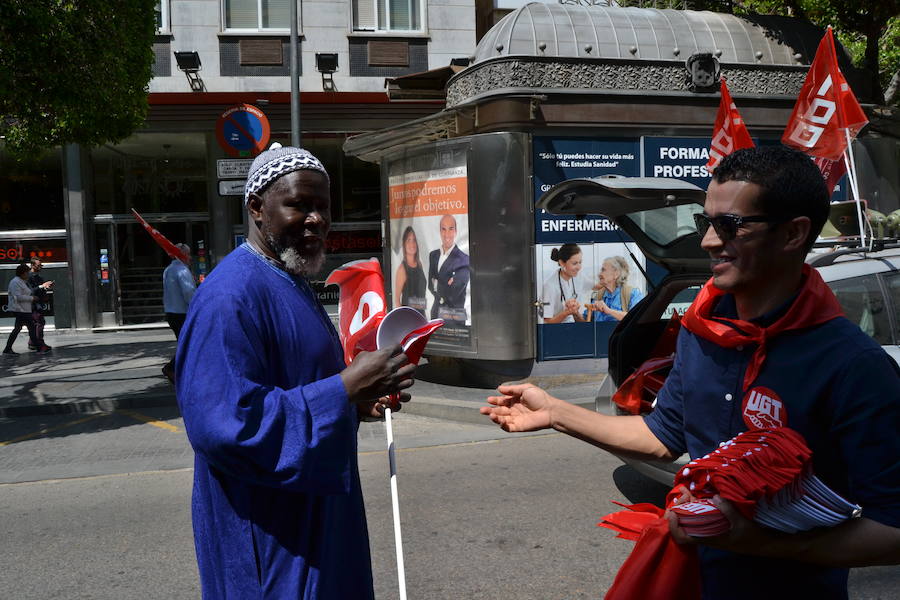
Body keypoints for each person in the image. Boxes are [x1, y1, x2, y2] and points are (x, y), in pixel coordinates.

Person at [482, 145, 900, 599]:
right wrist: (556, 413)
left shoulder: (853, 367)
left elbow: (893, 530)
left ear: (794, 234)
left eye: (730, 226)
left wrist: (764, 544)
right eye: (706, 223)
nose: (708, 241)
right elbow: (664, 436)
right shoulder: (701, 332)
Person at [175, 144, 416, 599]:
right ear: (257, 209)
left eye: (323, 207)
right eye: (299, 205)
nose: (316, 220)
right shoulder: (230, 297)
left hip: (319, 513)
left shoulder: (290, 278)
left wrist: (358, 400)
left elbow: (302, 380)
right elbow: (224, 425)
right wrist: (344, 387)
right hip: (270, 529)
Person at [161, 243, 196, 383]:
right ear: (183, 254)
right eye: (188, 254)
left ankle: (180, 370)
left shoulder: (168, 270)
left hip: (171, 312)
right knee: (188, 343)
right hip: (182, 313)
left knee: (185, 342)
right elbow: (189, 293)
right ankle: (171, 368)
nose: (189, 257)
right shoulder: (182, 271)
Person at [428, 214, 470, 323]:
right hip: (436, 314)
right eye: (443, 229)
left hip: (454, 320)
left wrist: (438, 283)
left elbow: (453, 293)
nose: (447, 234)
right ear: (440, 231)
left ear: (456, 231)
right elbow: (430, 285)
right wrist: (447, 282)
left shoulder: (464, 260)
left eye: (451, 229)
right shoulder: (433, 255)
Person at [585, 255, 644, 322]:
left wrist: (609, 311)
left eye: (603, 270)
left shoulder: (633, 294)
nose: (599, 274)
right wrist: (575, 313)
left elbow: (636, 318)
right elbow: (585, 323)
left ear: (616, 274)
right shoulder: (599, 296)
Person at [540, 243, 587, 323]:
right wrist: (566, 312)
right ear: (562, 263)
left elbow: (581, 320)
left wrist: (575, 312)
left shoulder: (576, 280)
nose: (579, 267)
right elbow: (547, 323)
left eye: (580, 262)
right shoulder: (549, 286)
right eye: (574, 263)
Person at [4, 263, 42, 355]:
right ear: (23, 273)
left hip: (23, 309)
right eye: (27, 273)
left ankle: (7, 349)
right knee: (30, 327)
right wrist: (32, 298)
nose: (28, 274)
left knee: (19, 328)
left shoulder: (21, 281)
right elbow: (18, 297)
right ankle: (39, 347)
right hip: (20, 310)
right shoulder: (15, 282)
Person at [394, 225, 426, 315]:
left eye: (414, 240)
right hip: (409, 318)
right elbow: (397, 300)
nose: (412, 244)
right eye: (408, 240)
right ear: (404, 244)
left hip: (421, 315)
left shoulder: (419, 264)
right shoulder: (402, 269)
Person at [26, 257, 53, 352]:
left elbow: (39, 289)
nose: (40, 267)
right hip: (32, 304)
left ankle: (33, 343)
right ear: (32, 265)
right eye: (38, 265)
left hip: (38, 302)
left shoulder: (38, 276)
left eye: (41, 265)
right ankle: (39, 343)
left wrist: (45, 288)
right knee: (39, 323)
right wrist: (42, 286)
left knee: (37, 323)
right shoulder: (28, 276)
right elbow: (30, 291)